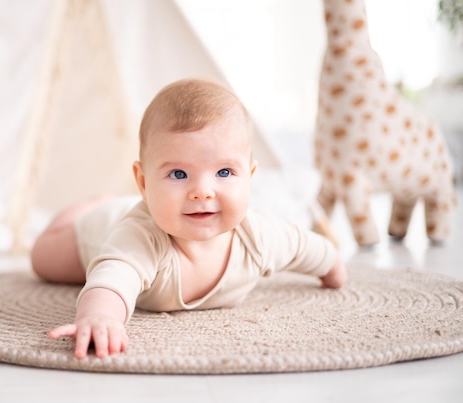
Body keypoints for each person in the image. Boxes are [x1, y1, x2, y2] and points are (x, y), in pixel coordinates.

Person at [31, 78, 348, 359]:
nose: (202, 192)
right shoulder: (141, 237)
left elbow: (304, 246)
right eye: (179, 174)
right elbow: (113, 279)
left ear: (250, 176)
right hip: (98, 229)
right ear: (144, 182)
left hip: (131, 211)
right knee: (42, 259)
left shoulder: (259, 235)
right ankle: (84, 207)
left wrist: (332, 267)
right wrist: (102, 317)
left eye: (224, 172)